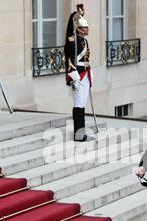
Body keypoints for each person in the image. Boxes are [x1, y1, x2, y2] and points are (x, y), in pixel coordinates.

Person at [64, 4, 92, 142]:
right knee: (78, 103)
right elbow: (69, 56)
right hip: (77, 74)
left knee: (83, 103)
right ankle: (78, 133)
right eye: (85, 27)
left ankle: (82, 131)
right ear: (78, 29)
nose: (87, 29)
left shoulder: (84, 40)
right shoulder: (72, 40)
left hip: (85, 73)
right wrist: (72, 72)